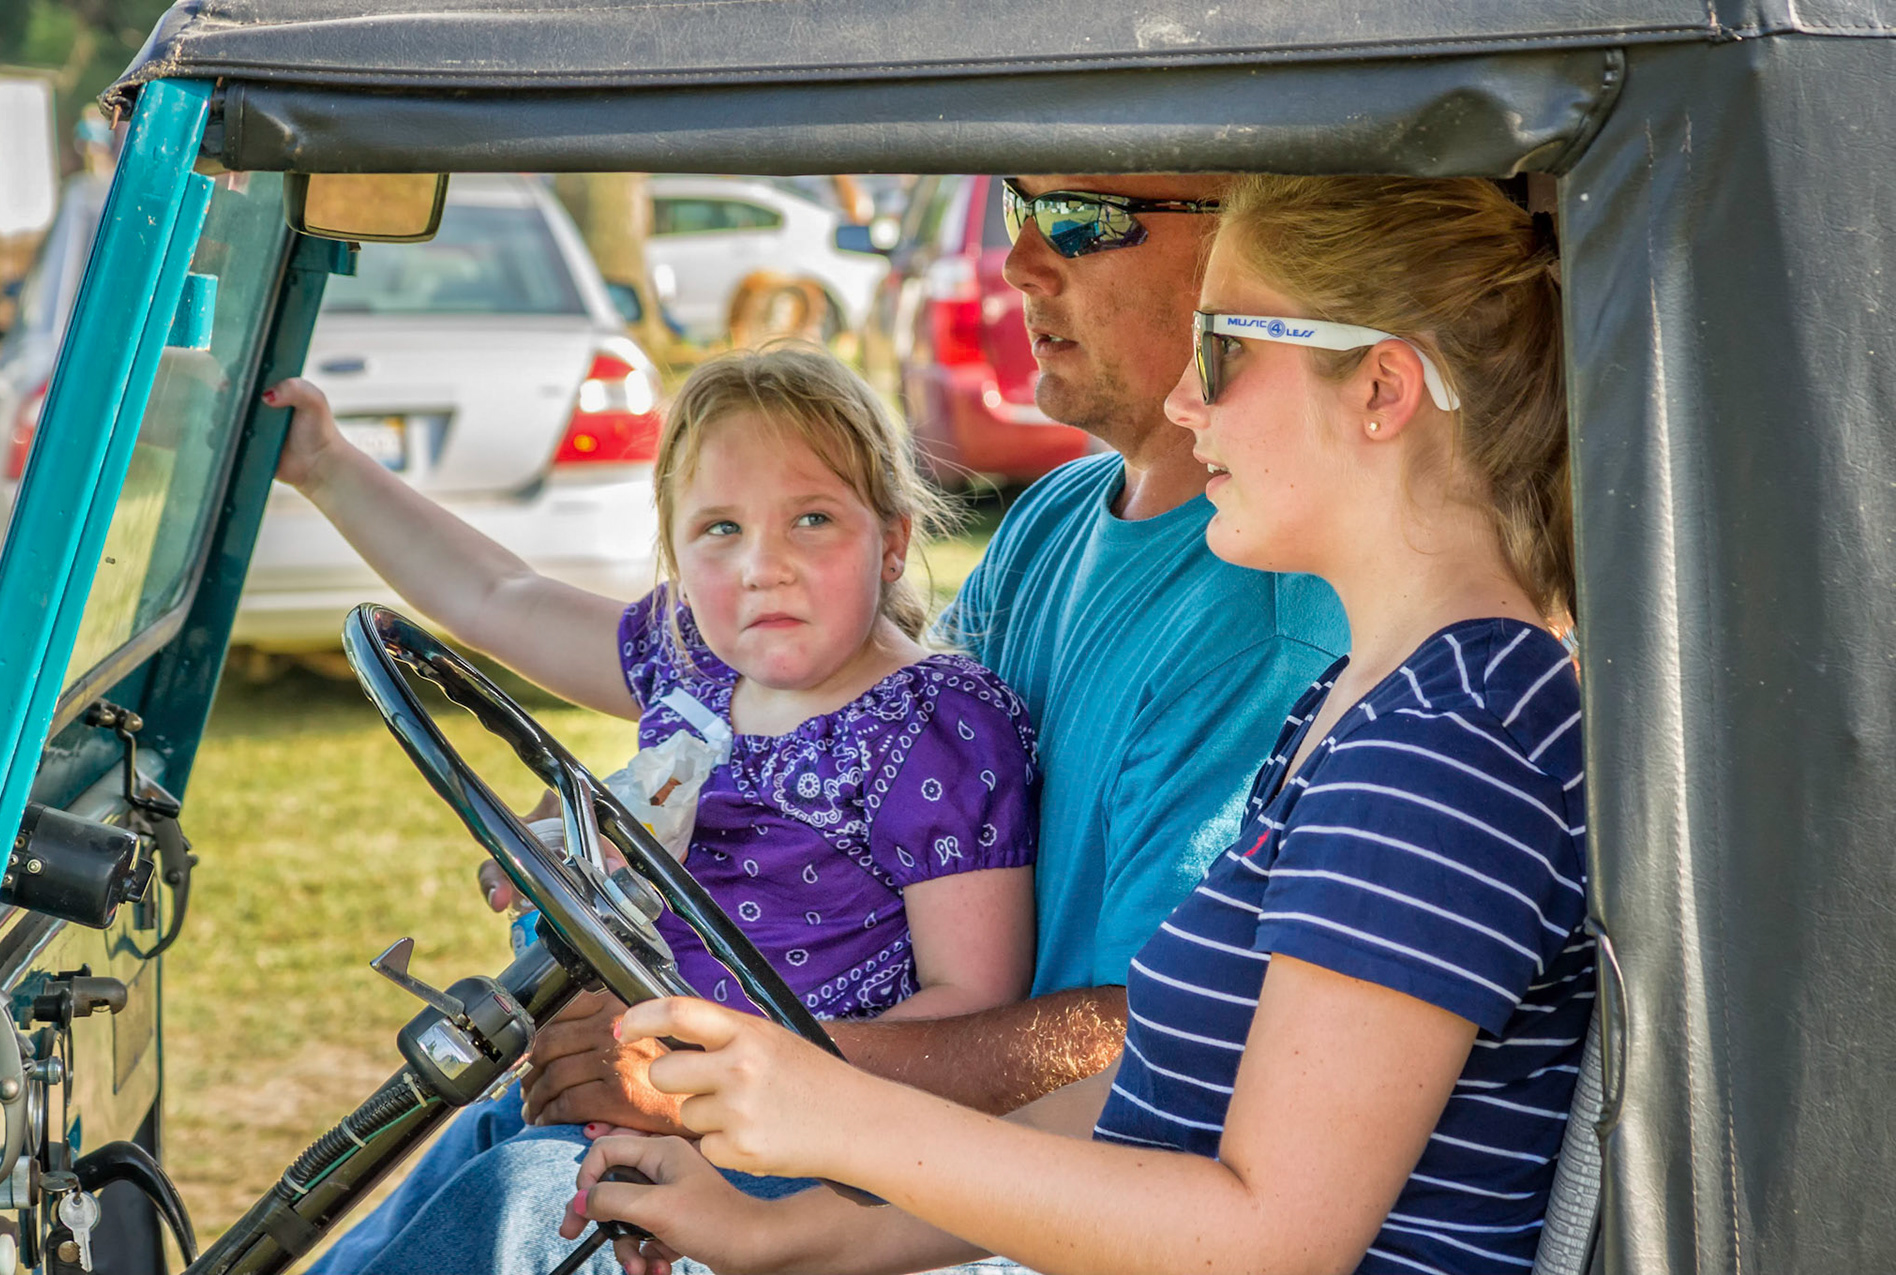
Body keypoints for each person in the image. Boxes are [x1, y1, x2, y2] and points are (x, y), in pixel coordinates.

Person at [307, 175, 1348, 1275]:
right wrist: (611, 824)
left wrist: (699, 1073)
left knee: (519, 1211)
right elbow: (812, 765)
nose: (1020, 265)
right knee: (451, 1169)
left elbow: (1154, 1043)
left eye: (1083, 219)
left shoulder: (1261, 629)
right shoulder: (1056, 517)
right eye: (1015, 209)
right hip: (787, 1116)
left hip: (969, 1198)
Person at [566, 173, 1590, 1275]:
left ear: (1381, 389)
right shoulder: (1375, 708)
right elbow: (1148, 1102)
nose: (1190, 408)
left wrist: (829, 1105)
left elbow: (1270, 1238)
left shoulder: (1446, 745)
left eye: (1226, 353)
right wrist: (779, 1231)